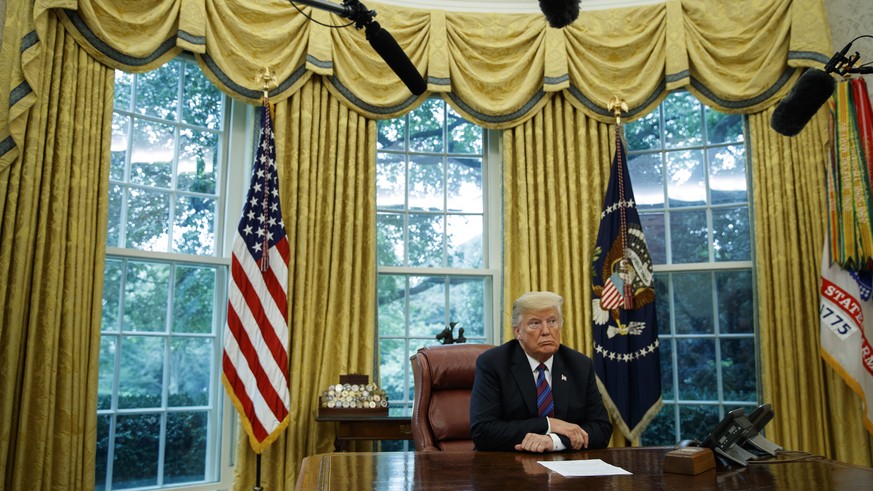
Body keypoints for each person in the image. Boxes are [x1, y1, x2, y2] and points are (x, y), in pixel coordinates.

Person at [470, 291, 612, 452]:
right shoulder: (493, 364)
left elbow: (602, 429)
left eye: (552, 321)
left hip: (566, 467)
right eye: (535, 323)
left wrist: (554, 440)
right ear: (518, 332)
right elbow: (483, 432)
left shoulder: (580, 365)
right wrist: (550, 424)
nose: (546, 331)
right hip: (506, 465)